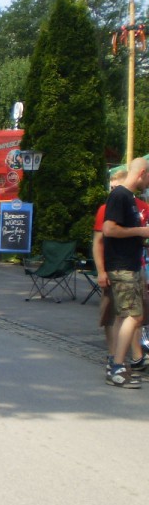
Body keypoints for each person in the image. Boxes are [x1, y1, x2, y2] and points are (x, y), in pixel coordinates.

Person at [102, 156, 149, 388]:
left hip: (129, 264)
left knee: (124, 315)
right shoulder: (120, 195)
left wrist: (142, 236)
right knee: (135, 316)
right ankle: (118, 368)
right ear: (142, 174)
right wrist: (141, 231)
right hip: (122, 267)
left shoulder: (129, 197)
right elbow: (109, 230)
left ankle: (116, 364)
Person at [93, 168, 145, 374]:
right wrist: (100, 271)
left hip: (133, 266)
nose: (112, 191)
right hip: (117, 267)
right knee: (123, 315)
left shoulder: (137, 204)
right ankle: (116, 361)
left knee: (128, 316)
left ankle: (129, 358)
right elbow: (101, 238)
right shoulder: (111, 204)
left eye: (115, 186)